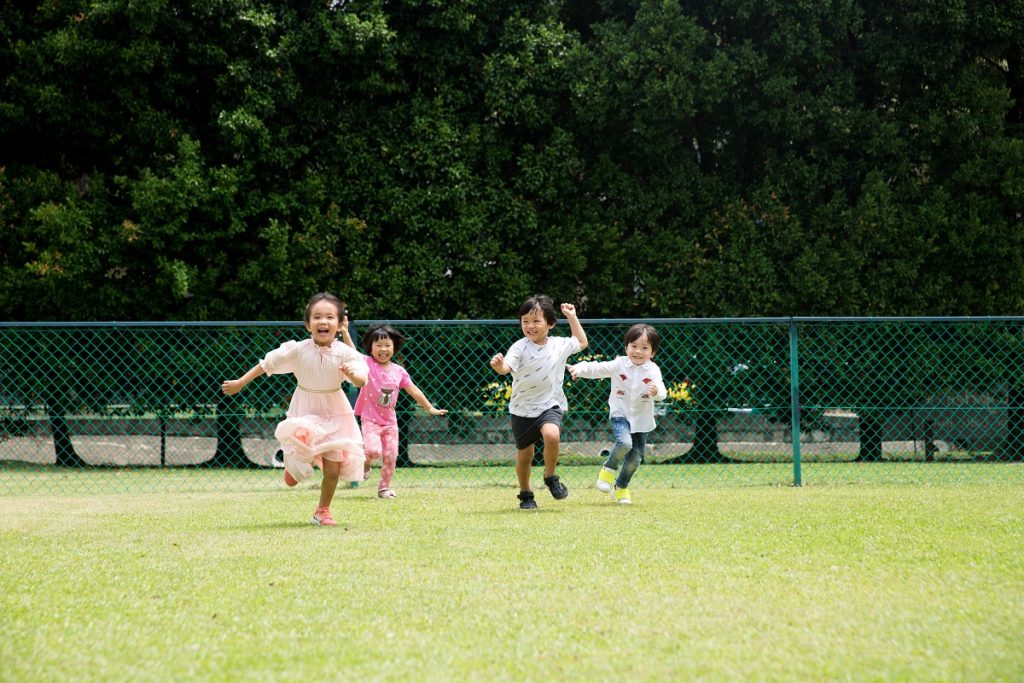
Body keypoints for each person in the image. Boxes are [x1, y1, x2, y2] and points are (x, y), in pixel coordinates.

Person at [221, 292, 367, 527]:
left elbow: (361, 378)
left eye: (329, 317)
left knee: (333, 468)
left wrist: (355, 377)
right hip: (306, 407)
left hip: (335, 410)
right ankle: (295, 466)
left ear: (339, 325)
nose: (323, 321)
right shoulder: (298, 350)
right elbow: (266, 364)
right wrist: (240, 383)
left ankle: (322, 511)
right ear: (308, 324)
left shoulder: (345, 352)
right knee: (302, 448)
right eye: (317, 317)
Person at [489, 294, 588, 510]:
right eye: (525, 321)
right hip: (522, 409)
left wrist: (572, 316)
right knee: (525, 455)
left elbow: (581, 342)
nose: (530, 326)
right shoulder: (519, 347)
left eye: (536, 321)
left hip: (550, 404)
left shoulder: (559, 345)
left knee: (552, 434)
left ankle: (550, 476)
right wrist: (499, 366)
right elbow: (506, 368)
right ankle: (525, 493)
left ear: (550, 324)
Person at [568, 323, 666, 504]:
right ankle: (608, 469)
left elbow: (662, 390)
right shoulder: (619, 364)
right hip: (620, 414)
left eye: (644, 348)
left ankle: (621, 487)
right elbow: (598, 368)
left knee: (635, 458)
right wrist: (579, 369)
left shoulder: (653, 370)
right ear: (626, 346)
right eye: (634, 346)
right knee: (624, 443)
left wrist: (656, 392)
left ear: (652, 352)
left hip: (642, 420)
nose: (638, 351)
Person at [346, 324, 447, 498]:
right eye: (378, 345)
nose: (383, 349)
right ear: (371, 348)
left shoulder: (399, 371)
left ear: (394, 347)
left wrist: (429, 407)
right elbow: (352, 353)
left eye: (387, 345)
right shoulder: (367, 364)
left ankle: (384, 488)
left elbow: (414, 390)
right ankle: (366, 462)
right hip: (370, 419)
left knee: (391, 455)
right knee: (372, 451)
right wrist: (345, 332)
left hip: (390, 422)